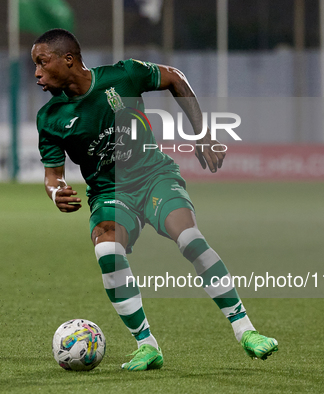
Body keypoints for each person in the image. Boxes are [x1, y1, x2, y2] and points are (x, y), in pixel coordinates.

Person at [32, 28, 278, 371]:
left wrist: (202, 134)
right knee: (106, 251)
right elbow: (53, 176)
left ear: (68, 59)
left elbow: (174, 78)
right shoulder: (50, 118)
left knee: (190, 238)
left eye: (42, 63)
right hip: (109, 192)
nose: (37, 74)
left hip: (153, 178)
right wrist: (57, 192)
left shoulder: (124, 75)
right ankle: (147, 346)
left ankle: (246, 330)